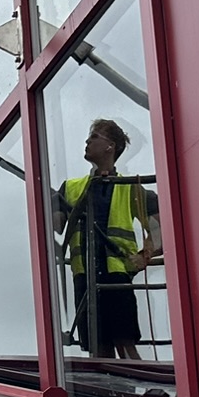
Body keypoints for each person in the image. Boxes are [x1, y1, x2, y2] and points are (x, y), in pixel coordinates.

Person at [53, 118, 163, 358]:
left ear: (110, 146)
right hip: (85, 276)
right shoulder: (71, 187)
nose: (87, 141)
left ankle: (135, 392)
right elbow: (55, 225)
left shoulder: (130, 187)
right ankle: (108, 395)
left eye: (94, 137)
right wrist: (47, 198)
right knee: (98, 348)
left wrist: (145, 255)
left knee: (124, 343)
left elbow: (161, 229)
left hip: (115, 274)